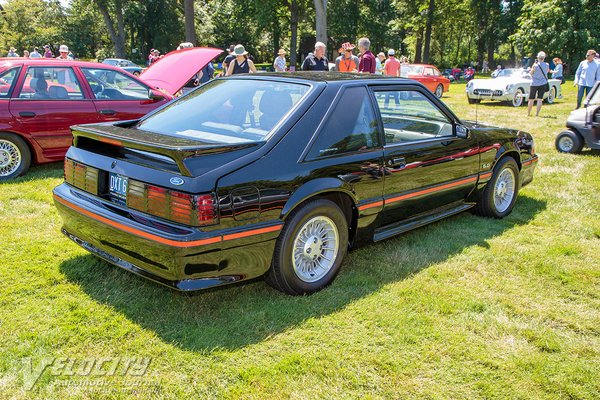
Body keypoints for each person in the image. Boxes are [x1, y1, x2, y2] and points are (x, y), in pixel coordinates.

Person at [528, 51, 549, 117]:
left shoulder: (535, 65)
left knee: (531, 99)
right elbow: (546, 72)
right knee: (540, 99)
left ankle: (528, 113)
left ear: (538, 57)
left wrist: (530, 69)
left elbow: (531, 73)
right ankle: (537, 113)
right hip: (543, 83)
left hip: (534, 83)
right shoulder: (547, 65)